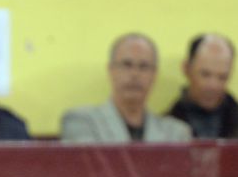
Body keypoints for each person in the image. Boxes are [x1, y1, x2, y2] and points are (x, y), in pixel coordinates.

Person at [60, 33, 190, 143]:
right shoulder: (82, 122)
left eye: (143, 67)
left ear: (154, 75)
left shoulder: (175, 133)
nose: (135, 74)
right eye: (127, 65)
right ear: (111, 70)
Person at [167, 34, 238, 139]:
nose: (213, 86)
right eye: (205, 74)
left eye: (222, 77)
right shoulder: (164, 129)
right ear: (186, 69)